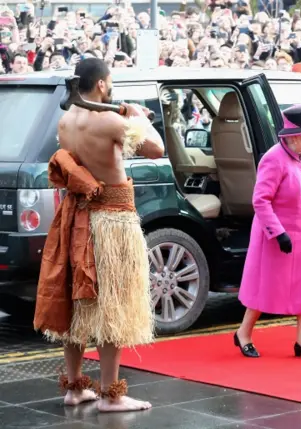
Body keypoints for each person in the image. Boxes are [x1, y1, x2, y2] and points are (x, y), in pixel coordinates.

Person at [33, 58, 164, 411]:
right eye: (111, 80)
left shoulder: (66, 121)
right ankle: (111, 394)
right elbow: (156, 149)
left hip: (76, 218)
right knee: (113, 306)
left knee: (76, 306)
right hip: (111, 222)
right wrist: (136, 116)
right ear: (102, 86)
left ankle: (75, 388)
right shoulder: (109, 120)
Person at [235, 105, 301, 360]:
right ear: (294, 136)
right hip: (276, 236)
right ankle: (243, 333)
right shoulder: (273, 159)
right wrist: (278, 233)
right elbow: (260, 200)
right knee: (264, 288)